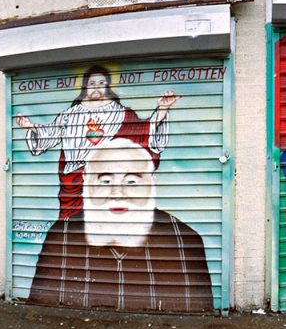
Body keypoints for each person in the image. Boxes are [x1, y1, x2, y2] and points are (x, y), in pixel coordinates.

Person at [29, 137, 213, 312]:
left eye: (131, 181)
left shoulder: (184, 240)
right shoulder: (61, 236)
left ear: (151, 183)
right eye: (106, 181)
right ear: (88, 181)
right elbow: (39, 310)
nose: (118, 193)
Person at [15, 65, 179, 219]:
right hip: (74, 180)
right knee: (72, 227)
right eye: (92, 83)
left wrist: (162, 110)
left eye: (101, 83)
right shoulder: (70, 115)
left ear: (107, 86)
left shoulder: (121, 113)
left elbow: (142, 131)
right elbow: (50, 133)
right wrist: (32, 127)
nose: (96, 87)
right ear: (85, 87)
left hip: (106, 179)